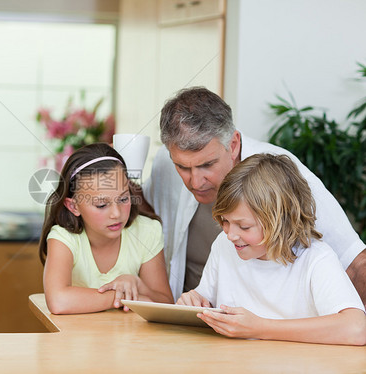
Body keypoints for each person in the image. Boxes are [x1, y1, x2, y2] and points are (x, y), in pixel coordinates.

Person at [141, 86, 366, 303]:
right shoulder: (165, 163)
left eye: (207, 165)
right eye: (182, 167)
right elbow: (141, 217)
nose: (195, 182)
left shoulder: (282, 178)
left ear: (234, 144)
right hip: (196, 318)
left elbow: (355, 263)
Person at [176, 153, 366, 345]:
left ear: (280, 221)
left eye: (244, 227)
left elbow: (357, 329)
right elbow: (205, 302)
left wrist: (261, 327)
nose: (230, 234)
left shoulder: (315, 258)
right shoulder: (224, 245)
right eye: (225, 221)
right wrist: (194, 301)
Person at [39, 143, 174, 314]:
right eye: (102, 205)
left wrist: (139, 285)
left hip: (132, 340)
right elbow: (59, 301)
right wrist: (121, 297)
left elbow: (166, 303)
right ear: (74, 207)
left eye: (124, 199)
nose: (116, 214)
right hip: (76, 339)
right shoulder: (64, 238)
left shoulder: (147, 231)